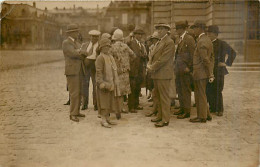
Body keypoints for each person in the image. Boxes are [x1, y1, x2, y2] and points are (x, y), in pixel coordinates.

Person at [147, 23, 175, 127]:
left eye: (161, 29)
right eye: (158, 29)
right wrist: (150, 65)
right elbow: (154, 56)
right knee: (157, 96)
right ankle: (160, 115)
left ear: (166, 30)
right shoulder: (160, 41)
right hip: (157, 74)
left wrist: (152, 67)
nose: (159, 31)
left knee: (164, 97)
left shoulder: (169, 42)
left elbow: (164, 59)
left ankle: (165, 119)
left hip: (163, 74)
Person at [206, 25, 236, 116]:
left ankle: (219, 110)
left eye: (210, 34)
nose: (208, 35)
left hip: (218, 71)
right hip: (209, 70)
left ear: (215, 34)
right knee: (209, 89)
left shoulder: (222, 44)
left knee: (218, 89)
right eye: (208, 33)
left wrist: (226, 63)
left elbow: (233, 53)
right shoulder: (207, 43)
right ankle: (212, 107)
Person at [190, 20, 214, 123]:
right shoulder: (206, 39)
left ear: (200, 28)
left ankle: (202, 117)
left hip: (200, 72)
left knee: (200, 95)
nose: (193, 30)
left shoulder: (202, 41)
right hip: (202, 72)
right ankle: (207, 114)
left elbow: (205, 59)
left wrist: (210, 74)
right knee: (202, 94)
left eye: (194, 28)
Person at [62, 24, 86, 122]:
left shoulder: (77, 43)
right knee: (74, 93)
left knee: (79, 91)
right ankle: (72, 114)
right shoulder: (66, 43)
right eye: (76, 31)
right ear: (71, 33)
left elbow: (84, 53)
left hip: (80, 69)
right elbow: (72, 53)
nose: (78, 33)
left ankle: (77, 111)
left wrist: (80, 51)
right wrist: (81, 51)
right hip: (72, 71)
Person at [109, 29, 136, 115]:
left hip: (116, 71)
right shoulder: (125, 46)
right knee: (124, 91)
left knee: (117, 90)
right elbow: (134, 56)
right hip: (125, 71)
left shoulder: (112, 47)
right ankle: (122, 107)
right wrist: (127, 62)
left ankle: (116, 108)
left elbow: (109, 58)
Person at [95, 38, 120, 128]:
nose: (108, 48)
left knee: (109, 101)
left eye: (109, 46)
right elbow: (99, 71)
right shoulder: (100, 58)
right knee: (103, 102)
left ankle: (108, 118)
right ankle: (103, 119)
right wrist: (101, 82)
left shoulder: (109, 57)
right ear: (101, 47)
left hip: (110, 82)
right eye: (106, 46)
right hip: (104, 83)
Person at [173, 21, 196, 119]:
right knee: (180, 90)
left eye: (178, 28)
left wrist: (189, 68)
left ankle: (186, 111)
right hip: (179, 69)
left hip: (185, 70)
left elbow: (193, 55)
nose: (176, 30)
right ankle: (182, 108)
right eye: (176, 28)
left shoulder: (189, 39)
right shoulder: (180, 39)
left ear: (183, 29)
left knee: (186, 91)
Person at [127, 27, 147, 113]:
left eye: (141, 34)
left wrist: (144, 57)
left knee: (138, 87)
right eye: (138, 34)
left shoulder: (141, 45)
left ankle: (136, 104)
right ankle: (131, 106)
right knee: (132, 88)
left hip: (140, 69)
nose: (139, 36)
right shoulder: (131, 43)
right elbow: (130, 56)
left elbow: (142, 55)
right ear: (134, 35)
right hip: (133, 69)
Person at [81, 30, 101, 111]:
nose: (94, 38)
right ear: (90, 37)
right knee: (84, 84)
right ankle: (84, 104)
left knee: (95, 85)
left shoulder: (99, 46)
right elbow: (81, 55)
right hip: (86, 66)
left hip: (95, 66)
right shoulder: (85, 45)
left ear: (98, 37)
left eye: (96, 36)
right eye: (92, 36)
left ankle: (96, 104)